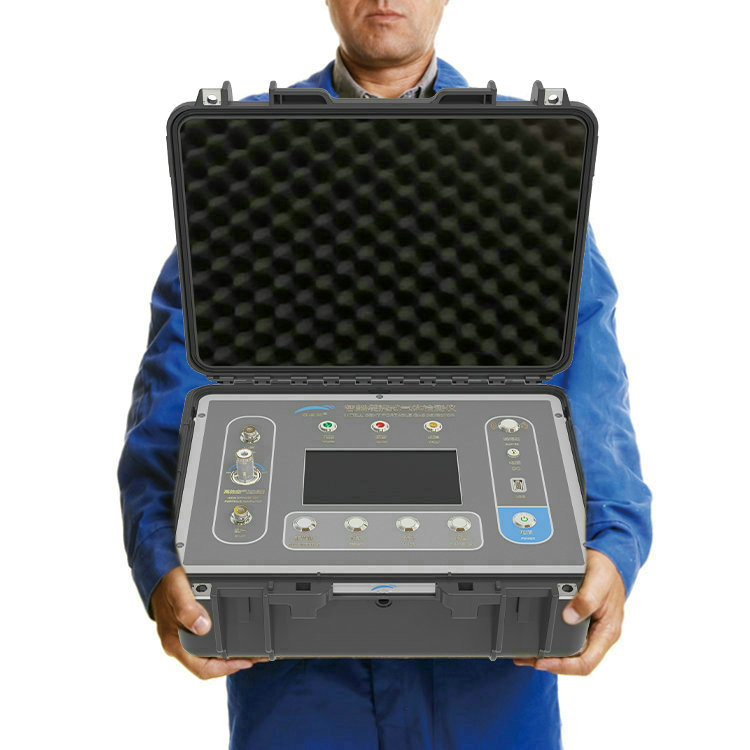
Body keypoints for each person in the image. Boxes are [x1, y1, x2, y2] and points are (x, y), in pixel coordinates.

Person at [118, 1, 652, 747]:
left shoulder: (524, 153)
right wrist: (158, 562)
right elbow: (176, 383)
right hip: (298, 679)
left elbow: (588, 368)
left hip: (491, 676)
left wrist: (612, 544)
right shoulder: (247, 155)